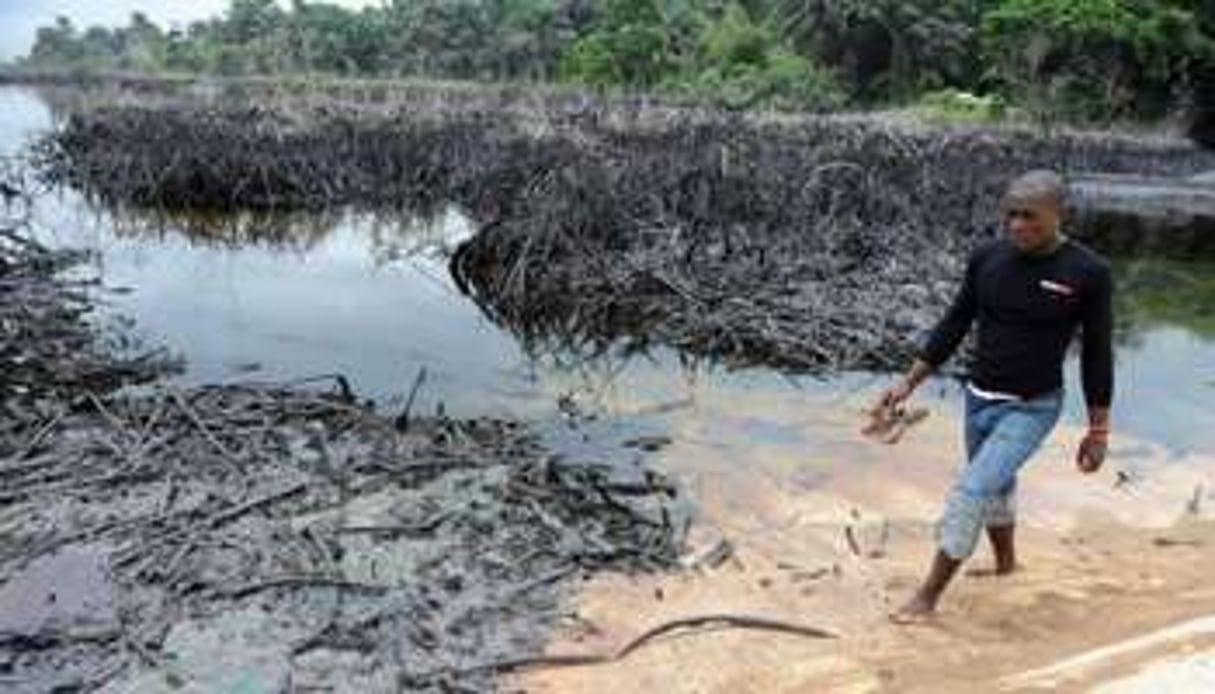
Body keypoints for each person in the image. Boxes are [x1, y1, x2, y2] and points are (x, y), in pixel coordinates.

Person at [874, 169, 1114, 621]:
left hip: (1032, 407)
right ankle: (1007, 564)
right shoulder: (987, 257)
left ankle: (927, 597)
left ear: (1060, 214)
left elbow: (1098, 353)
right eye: (1011, 215)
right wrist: (907, 383)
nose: (1018, 226)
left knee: (972, 491)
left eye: (1031, 217)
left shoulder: (1088, 272)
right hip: (977, 398)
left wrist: (1098, 428)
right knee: (997, 486)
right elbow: (955, 322)